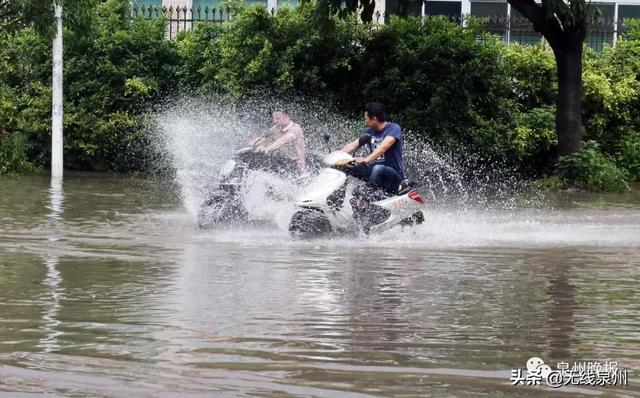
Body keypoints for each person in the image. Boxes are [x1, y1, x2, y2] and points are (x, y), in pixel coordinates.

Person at [340, 101, 405, 194]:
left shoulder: (394, 128)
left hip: (393, 177)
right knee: (344, 164)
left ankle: (365, 198)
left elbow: (383, 148)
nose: (365, 122)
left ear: (374, 119)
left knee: (377, 168)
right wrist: (335, 157)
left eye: (366, 119)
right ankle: (337, 200)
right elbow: (353, 145)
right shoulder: (369, 131)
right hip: (373, 172)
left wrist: (366, 160)